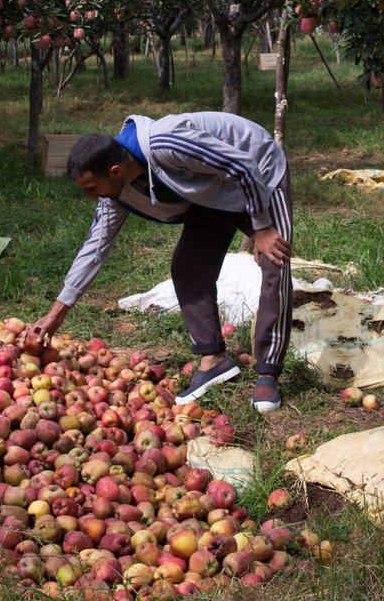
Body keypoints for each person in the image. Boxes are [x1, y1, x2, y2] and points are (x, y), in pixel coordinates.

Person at [26, 111, 294, 413]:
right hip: (210, 189)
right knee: (188, 267)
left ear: (115, 171)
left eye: (91, 188)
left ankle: (268, 371)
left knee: (275, 260)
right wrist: (57, 312)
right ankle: (214, 359)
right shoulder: (116, 193)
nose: (91, 198)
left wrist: (262, 226)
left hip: (258, 168)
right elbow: (95, 248)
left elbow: (241, 165)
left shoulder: (168, 143)